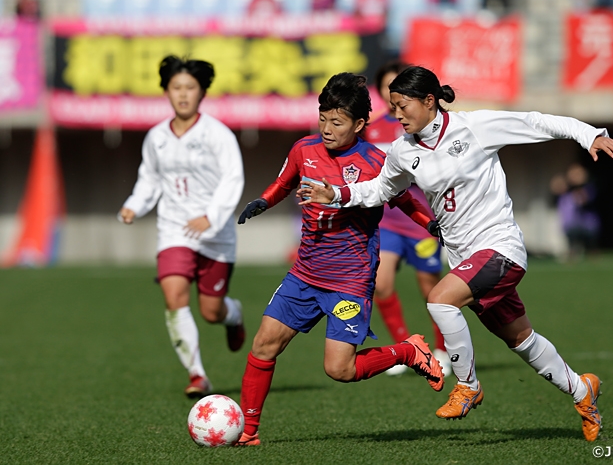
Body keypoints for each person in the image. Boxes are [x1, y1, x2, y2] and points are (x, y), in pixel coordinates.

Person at [299, 65, 613, 442]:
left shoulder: (474, 127)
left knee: (439, 300)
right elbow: (379, 191)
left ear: (429, 101)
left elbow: (537, 122)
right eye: (392, 105)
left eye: (403, 105)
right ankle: (584, 392)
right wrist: (336, 195)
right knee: (521, 340)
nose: (397, 114)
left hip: (500, 247)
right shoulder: (403, 150)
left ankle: (468, 385)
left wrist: (592, 136)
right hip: (465, 259)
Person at [234, 72, 444, 446]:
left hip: (349, 279)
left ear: (359, 123)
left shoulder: (377, 161)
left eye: (337, 121)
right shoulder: (304, 149)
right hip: (305, 273)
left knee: (339, 369)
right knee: (264, 344)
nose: (327, 129)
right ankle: (248, 432)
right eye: (323, 119)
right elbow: (284, 182)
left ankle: (407, 351)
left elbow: (406, 200)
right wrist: (263, 201)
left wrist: (431, 224)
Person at [119, 56, 246, 399]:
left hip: (215, 234)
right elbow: (150, 178)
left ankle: (234, 315)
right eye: (177, 88)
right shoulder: (156, 137)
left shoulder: (217, 134)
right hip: (173, 229)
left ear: (202, 91)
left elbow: (233, 178)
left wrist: (212, 215)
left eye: (190, 87)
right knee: (174, 295)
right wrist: (135, 204)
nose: (183, 94)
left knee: (210, 311)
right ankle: (197, 373)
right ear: (166, 91)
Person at [366, 60, 451, 377]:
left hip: (422, 221)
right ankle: (407, 349)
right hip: (387, 221)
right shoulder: (372, 129)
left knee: (431, 288)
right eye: (390, 89)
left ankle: (443, 349)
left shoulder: (421, 127)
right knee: (381, 283)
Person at [550, 163, 601, 261]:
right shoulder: (564, 189)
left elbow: (587, 200)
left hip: (588, 223)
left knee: (591, 246)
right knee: (572, 245)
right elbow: (554, 198)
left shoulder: (589, 187)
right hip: (571, 224)